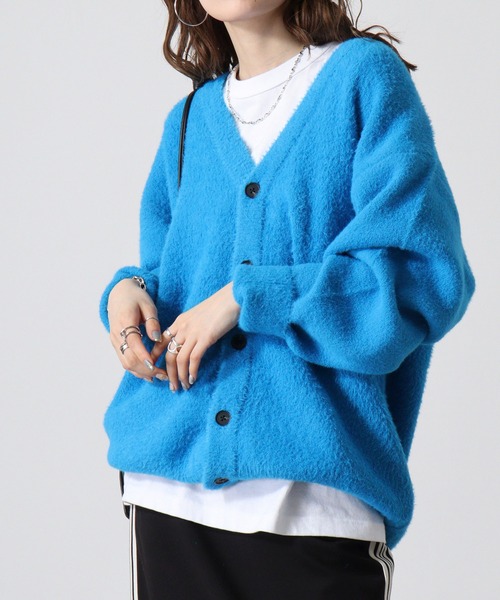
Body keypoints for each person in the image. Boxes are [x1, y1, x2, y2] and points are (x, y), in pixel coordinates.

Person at [99, 1, 475, 598]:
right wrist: (127, 290)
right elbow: (170, 274)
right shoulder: (189, 121)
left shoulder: (362, 79)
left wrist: (248, 296)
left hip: (311, 507)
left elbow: (421, 277)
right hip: (168, 494)